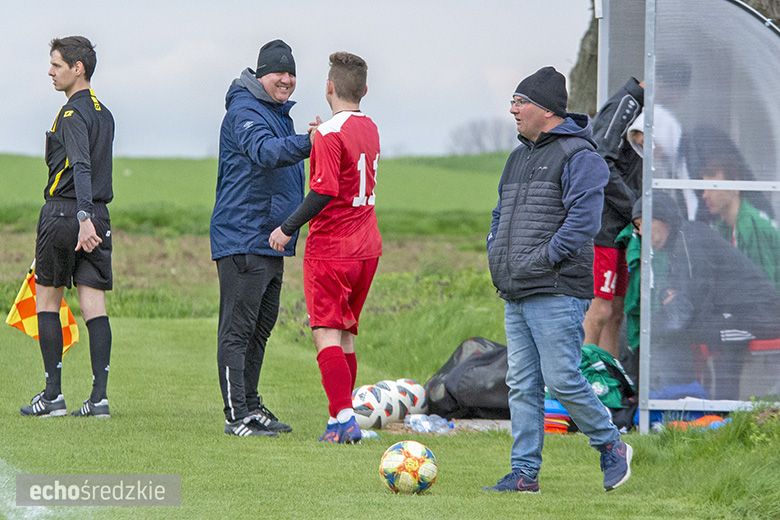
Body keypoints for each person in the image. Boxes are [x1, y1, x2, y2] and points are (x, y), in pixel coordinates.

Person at [484, 66, 631, 493]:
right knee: (522, 383)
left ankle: (611, 445)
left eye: (519, 102)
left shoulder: (580, 157)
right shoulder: (517, 157)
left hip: (556, 288)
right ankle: (524, 473)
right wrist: (497, 250)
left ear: (545, 111)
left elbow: (584, 222)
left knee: (563, 378)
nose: (512, 109)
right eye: (512, 101)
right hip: (516, 288)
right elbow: (499, 214)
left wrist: (543, 257)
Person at [269, 51, 380, 444]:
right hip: (368, 246)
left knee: (324, 331)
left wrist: (287, 227)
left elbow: (324, 190)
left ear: (329, 87)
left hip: (334, 247)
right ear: (364, 90)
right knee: (345, 331)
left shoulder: (331, 134)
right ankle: (340, 420)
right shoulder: (370, 127)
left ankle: (344, 418)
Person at [210, 39, 319, 437]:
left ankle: (252, 405)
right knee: (237, 330)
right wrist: (312, 142)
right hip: (243, 236)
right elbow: (266, 152)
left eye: (291, 74)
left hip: (270, 240)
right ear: (260, 75)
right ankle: (235, 414)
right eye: (278, 73)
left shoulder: (277, 114)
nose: (286, 80)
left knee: (260, 327)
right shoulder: (244, 112)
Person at [20, 36, 115, 418]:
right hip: (99, 215)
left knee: (47, 301)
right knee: (94, 305)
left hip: (66, 215)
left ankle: (53, 396)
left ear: (78, 69)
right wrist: (93, 216)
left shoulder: (72, 114)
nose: (50, 71)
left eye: (57, 65)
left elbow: (81, 166)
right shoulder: (104, 113)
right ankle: (99, 399)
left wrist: (82, 218)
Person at [630, 192, 780, 399]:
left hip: (758, 317)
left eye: (644, 223)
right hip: (731, 314)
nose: (641, 233)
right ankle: (679, 401)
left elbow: (689, 305)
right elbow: (673, 295)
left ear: (663, 217)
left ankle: (717, 411)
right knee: (685, 328)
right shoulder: (679, 243)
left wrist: (667, 313)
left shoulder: (691, 239)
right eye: (637, 227)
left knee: (702, 331)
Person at [583, 78, 644, 358]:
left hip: (622, 229)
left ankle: (610, 384)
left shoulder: (643, 107)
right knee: (600, 311)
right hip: (604, 229)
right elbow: (601, 160)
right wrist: (637, 209)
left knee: (616, 313)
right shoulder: (626, 104)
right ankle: (581, 381)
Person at [701, 158, 780, 292]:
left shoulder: (751, 227)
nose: (705, 195)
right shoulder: (722, 227)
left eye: (713, 187)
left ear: (734, 188)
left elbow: (763, 291)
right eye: (703, 188)